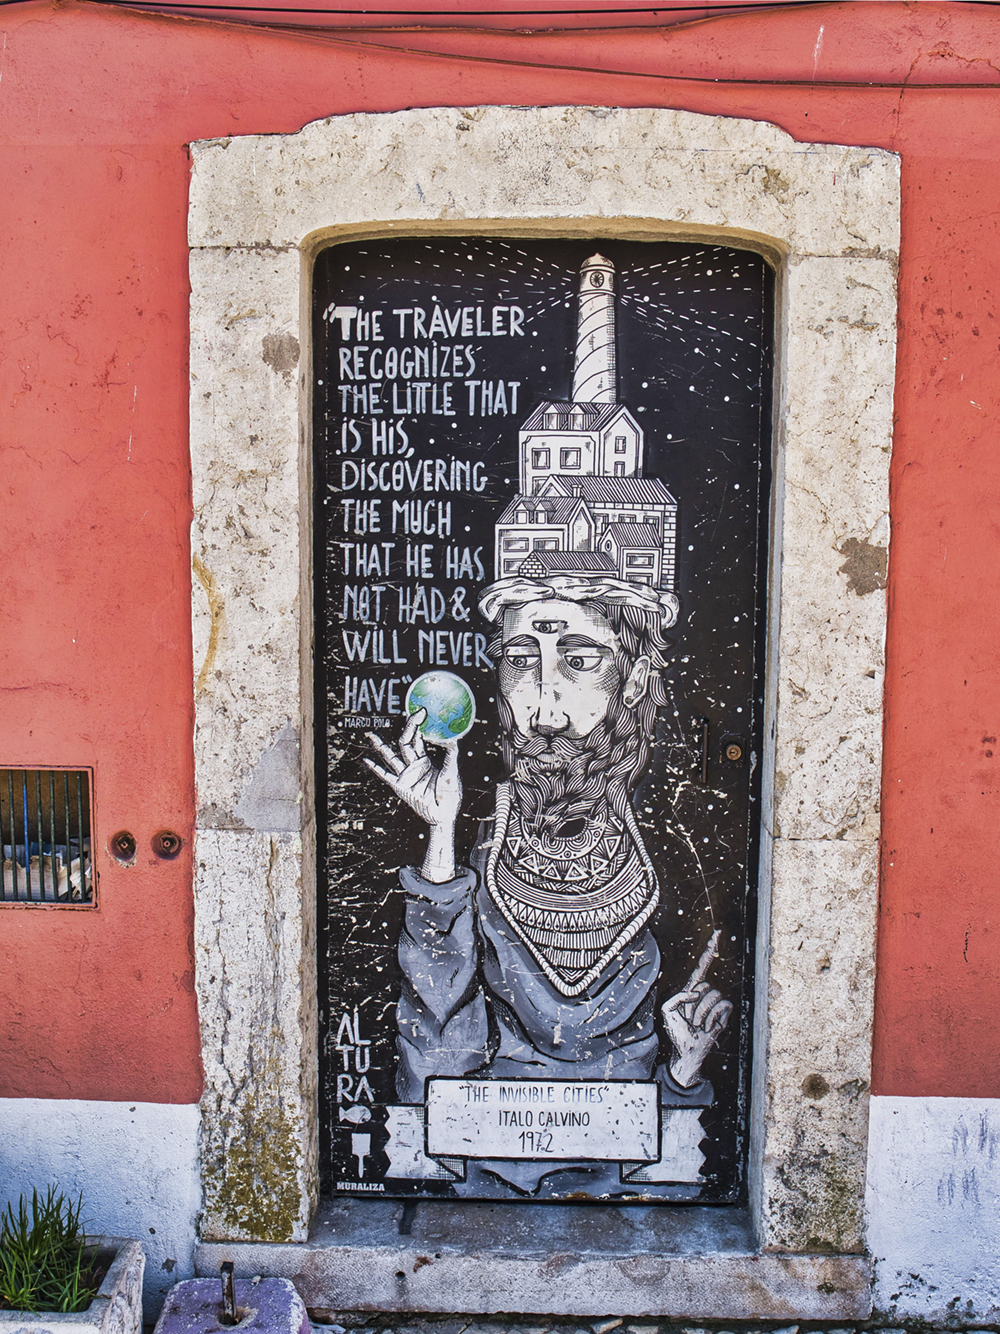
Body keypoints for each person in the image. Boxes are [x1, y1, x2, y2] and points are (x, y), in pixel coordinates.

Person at [365, 574, 731, 1196]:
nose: (544, 708)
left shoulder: (682, 853)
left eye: (580, 661)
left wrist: (684, 1073)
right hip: (481, 1182)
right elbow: (432, 1065)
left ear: (635, 679)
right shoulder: (476, 828)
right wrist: (441, 838)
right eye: (520, 661)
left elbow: (679, 1162)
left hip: (635, 1191)